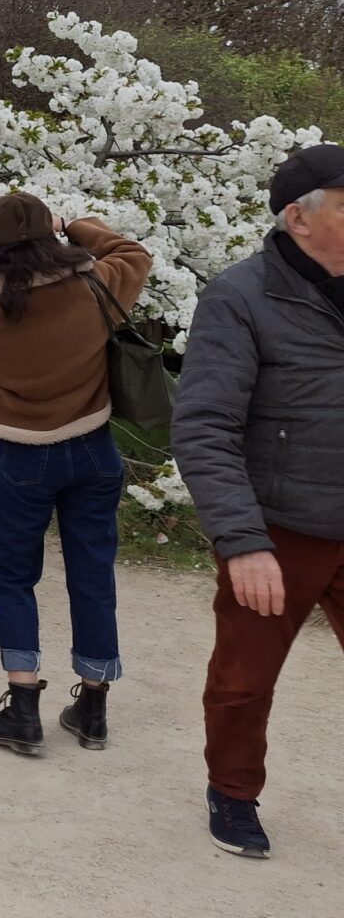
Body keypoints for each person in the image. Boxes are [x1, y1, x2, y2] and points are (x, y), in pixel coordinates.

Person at [0, 194, 152, 756]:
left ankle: (23, 707)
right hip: (94, 450)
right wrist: (74, 224)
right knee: (92, 573)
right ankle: (93, 708)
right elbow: (133, 253)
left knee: (11, 574)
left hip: (22, 454)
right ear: (51, 237)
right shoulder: (95, 287)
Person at [172, 143, 344, 860]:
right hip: (280, 527)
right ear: (299, 218)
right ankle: (234, 793)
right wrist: (243, 541)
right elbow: (203, 427)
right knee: (243, 681)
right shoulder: (239, 297)